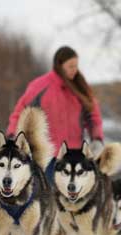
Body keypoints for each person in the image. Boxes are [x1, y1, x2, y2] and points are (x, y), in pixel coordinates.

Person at [6, 46, 104, 180]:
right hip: (48, 156)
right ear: (59, 65)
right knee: (48, 195)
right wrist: (12, 135)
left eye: (76, 66)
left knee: (71, 196)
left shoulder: (80, 86)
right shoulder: (40, 85)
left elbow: (93, 116)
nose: (74, 70)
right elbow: (20, 111)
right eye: (70, 66)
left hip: (74, 155)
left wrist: (97, 138)